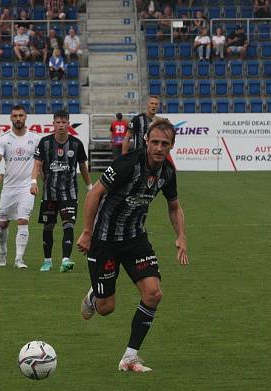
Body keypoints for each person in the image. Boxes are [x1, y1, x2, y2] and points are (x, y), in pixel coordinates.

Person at [76, 118, 188, 373]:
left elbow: (174, 206)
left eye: (165, 144)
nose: (159, 148)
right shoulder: (126, 165)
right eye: (155, 142)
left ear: (172, 146)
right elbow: (95, 194)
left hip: (136, 240)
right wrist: (87, 232)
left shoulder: (168, 173)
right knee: (106, 308)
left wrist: (181, 236)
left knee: (153, 293)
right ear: (147, 141)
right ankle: (95, 295)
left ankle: (130, 357)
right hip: (104, 240)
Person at [30, 109, 92, 273]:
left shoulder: (76, 144)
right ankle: (47, 260)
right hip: (49, 193)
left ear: (68, 124)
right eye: (58, 122)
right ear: (53, 123)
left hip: (69, 193)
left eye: (64, 122)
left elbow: (83, 167)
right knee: (48, 226)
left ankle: (66, 260)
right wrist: (34, 181)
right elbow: (37, 164)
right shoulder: (44, 142)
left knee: (68, 225)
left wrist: (90, 187)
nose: (61, 125)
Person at [0, 105, 41, 269]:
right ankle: (2, 251)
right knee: (3, 223)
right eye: (15, 116)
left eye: (21, 115)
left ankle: (19, 259)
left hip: (27, 186)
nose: (18, 118)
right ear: (11, 118)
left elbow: (40, 163)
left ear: (25, 117)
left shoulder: (35, 138)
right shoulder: (4, 139)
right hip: (9, 188)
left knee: (23, 220)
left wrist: (36, 182)